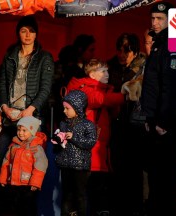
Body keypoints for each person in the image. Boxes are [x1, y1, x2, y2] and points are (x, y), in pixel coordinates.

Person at [140, 2, 176, 216]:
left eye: (160, 19)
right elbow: (153, 86)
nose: (155, 22)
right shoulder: (160, 44)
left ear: (171, 21)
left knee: (165, 178)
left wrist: (162, 121)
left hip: (166, 123)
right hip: (155, 120)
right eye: (153, 18)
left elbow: (172, 87)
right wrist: (148, 117)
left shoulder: (174, 44)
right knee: (155, 176)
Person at [0, 15, 54, 175]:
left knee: (29, 167)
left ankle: (26, 200)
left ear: (37, 34)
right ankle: (2, 198)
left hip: (31, 117)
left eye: (32, 31)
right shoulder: (10, 55)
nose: (28, 35)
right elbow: (2, 83)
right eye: (24, 31)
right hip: (10, 115)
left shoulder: (44, 58)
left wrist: (31, 109)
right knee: (2, 162)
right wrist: (4, 106)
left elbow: (45, 88)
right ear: (18, 33)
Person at [66, 59, 125, 215]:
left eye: (107, 70)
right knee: (81, 192)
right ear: (92, 74)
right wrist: (125, 95)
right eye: (103, 71)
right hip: (86, 149)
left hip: (98, 148)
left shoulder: (103, 89)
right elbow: (99, 99)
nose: (108, 74)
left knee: (96, 190)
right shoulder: (84, 88)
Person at [107, 33, 147, 215]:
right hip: (116, 124)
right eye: (119, 49)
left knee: (135, 169)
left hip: (137, 125)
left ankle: (135, 208)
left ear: (135, 51)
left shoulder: (144, 67)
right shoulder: (111, 67)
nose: (122, 54)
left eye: (127, 50)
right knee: (117, 168)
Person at [52, 90, 97, 216]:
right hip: (65, 164)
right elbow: (60, 143)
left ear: (77, 108)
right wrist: (58, 142)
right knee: (66, 194)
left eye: (67, 108)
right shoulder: (63, 123)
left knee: (80, 195)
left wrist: (73, 137)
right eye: (64, 108)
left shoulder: (88, 125)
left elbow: (90, 142)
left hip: (80, 166)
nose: (64, 111)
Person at [0, 116, 48, 216]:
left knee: (27, 208)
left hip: (28, 185)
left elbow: (41, 165)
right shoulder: (13, 145)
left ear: (32, 131)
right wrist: (3, 178)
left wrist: (35, 182)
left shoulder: (36, 147)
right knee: (13, 208)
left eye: (24, 130)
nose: (20, 133)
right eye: (19, 129)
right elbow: (6, 162)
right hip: (13, 184)